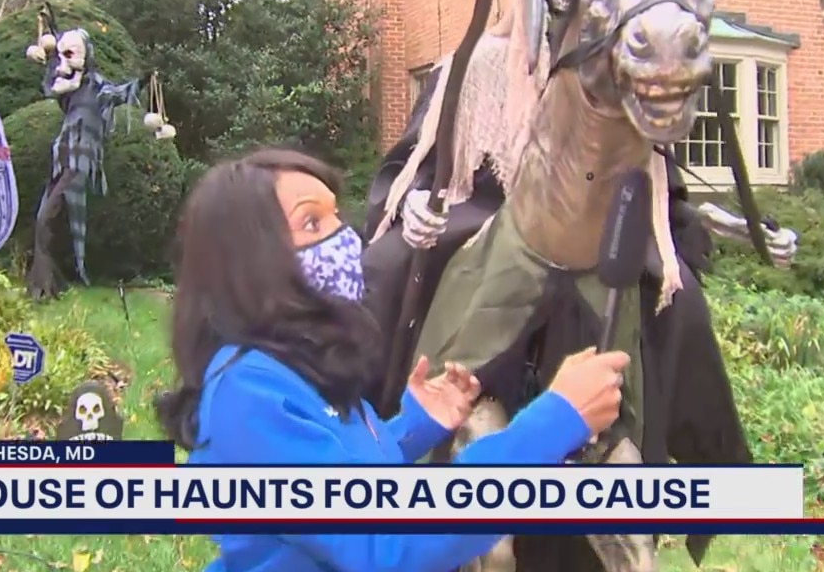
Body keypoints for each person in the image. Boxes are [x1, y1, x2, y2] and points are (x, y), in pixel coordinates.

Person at [158, 148, 631, 572]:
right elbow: (385, 540)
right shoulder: (248, 394)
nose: (344, 238)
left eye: (336, 216)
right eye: (311, 223)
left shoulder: (293, 368)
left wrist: (413, 427)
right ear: (249, 264)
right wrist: (552, 424)